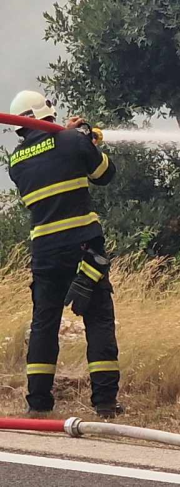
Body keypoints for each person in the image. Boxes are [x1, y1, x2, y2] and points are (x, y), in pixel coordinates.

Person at [7, 90, 121, 418]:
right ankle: (104, 403)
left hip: (44, 252)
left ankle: (38, 404)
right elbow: (105, 175)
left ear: (19, 127)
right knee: (98, 317)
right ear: (49, 112)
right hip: (83, 247)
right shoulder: (72, 141)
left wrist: (75, 136)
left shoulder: (16, 162)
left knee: (44, 323)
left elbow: (49, 151)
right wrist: (85, 137)